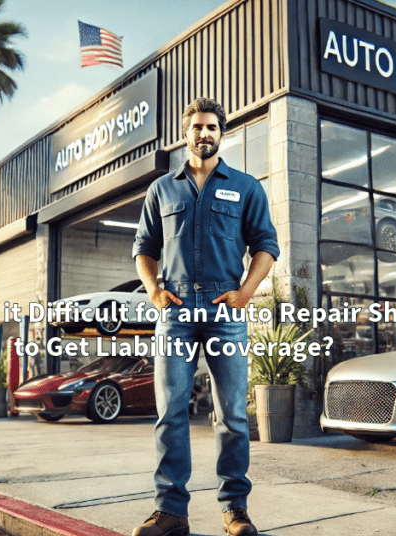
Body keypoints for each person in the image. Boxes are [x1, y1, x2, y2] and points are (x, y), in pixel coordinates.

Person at [132, 98, 279, 536]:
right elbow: (143, 249)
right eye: (196, 126)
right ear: (186, 133)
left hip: (223, 310)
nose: (204, 133)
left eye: (212, 126)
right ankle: (171, 512)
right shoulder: (162, 189)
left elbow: (266, 246)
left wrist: (246, 291)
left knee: (232, 413)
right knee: (170, 411)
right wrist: (154, 289)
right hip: (175, 310)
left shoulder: (246, 186)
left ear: (221, 133)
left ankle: (235, 508)